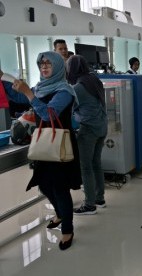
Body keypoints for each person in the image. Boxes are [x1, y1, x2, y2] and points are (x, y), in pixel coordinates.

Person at [1, 51, 81, 250]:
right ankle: (61, 214)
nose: (44, 67)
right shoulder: (41, 87)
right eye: (41, 64)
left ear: (58, 67)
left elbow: (47, 114)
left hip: (59, 145)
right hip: (44, 144)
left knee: (60, 189)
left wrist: (30, 93)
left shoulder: (65, 91)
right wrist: (3, 78)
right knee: (44, 185)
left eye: (48, 64)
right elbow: (18, 97)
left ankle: (68, 230)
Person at [66, 55, 108, 215]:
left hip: (89, 129)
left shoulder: (78, 88)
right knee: (96, 163)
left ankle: (89, 205)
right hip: (102, 127)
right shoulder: (94, 80)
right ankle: (99, 198)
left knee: (86, 167)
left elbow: (67, 108)